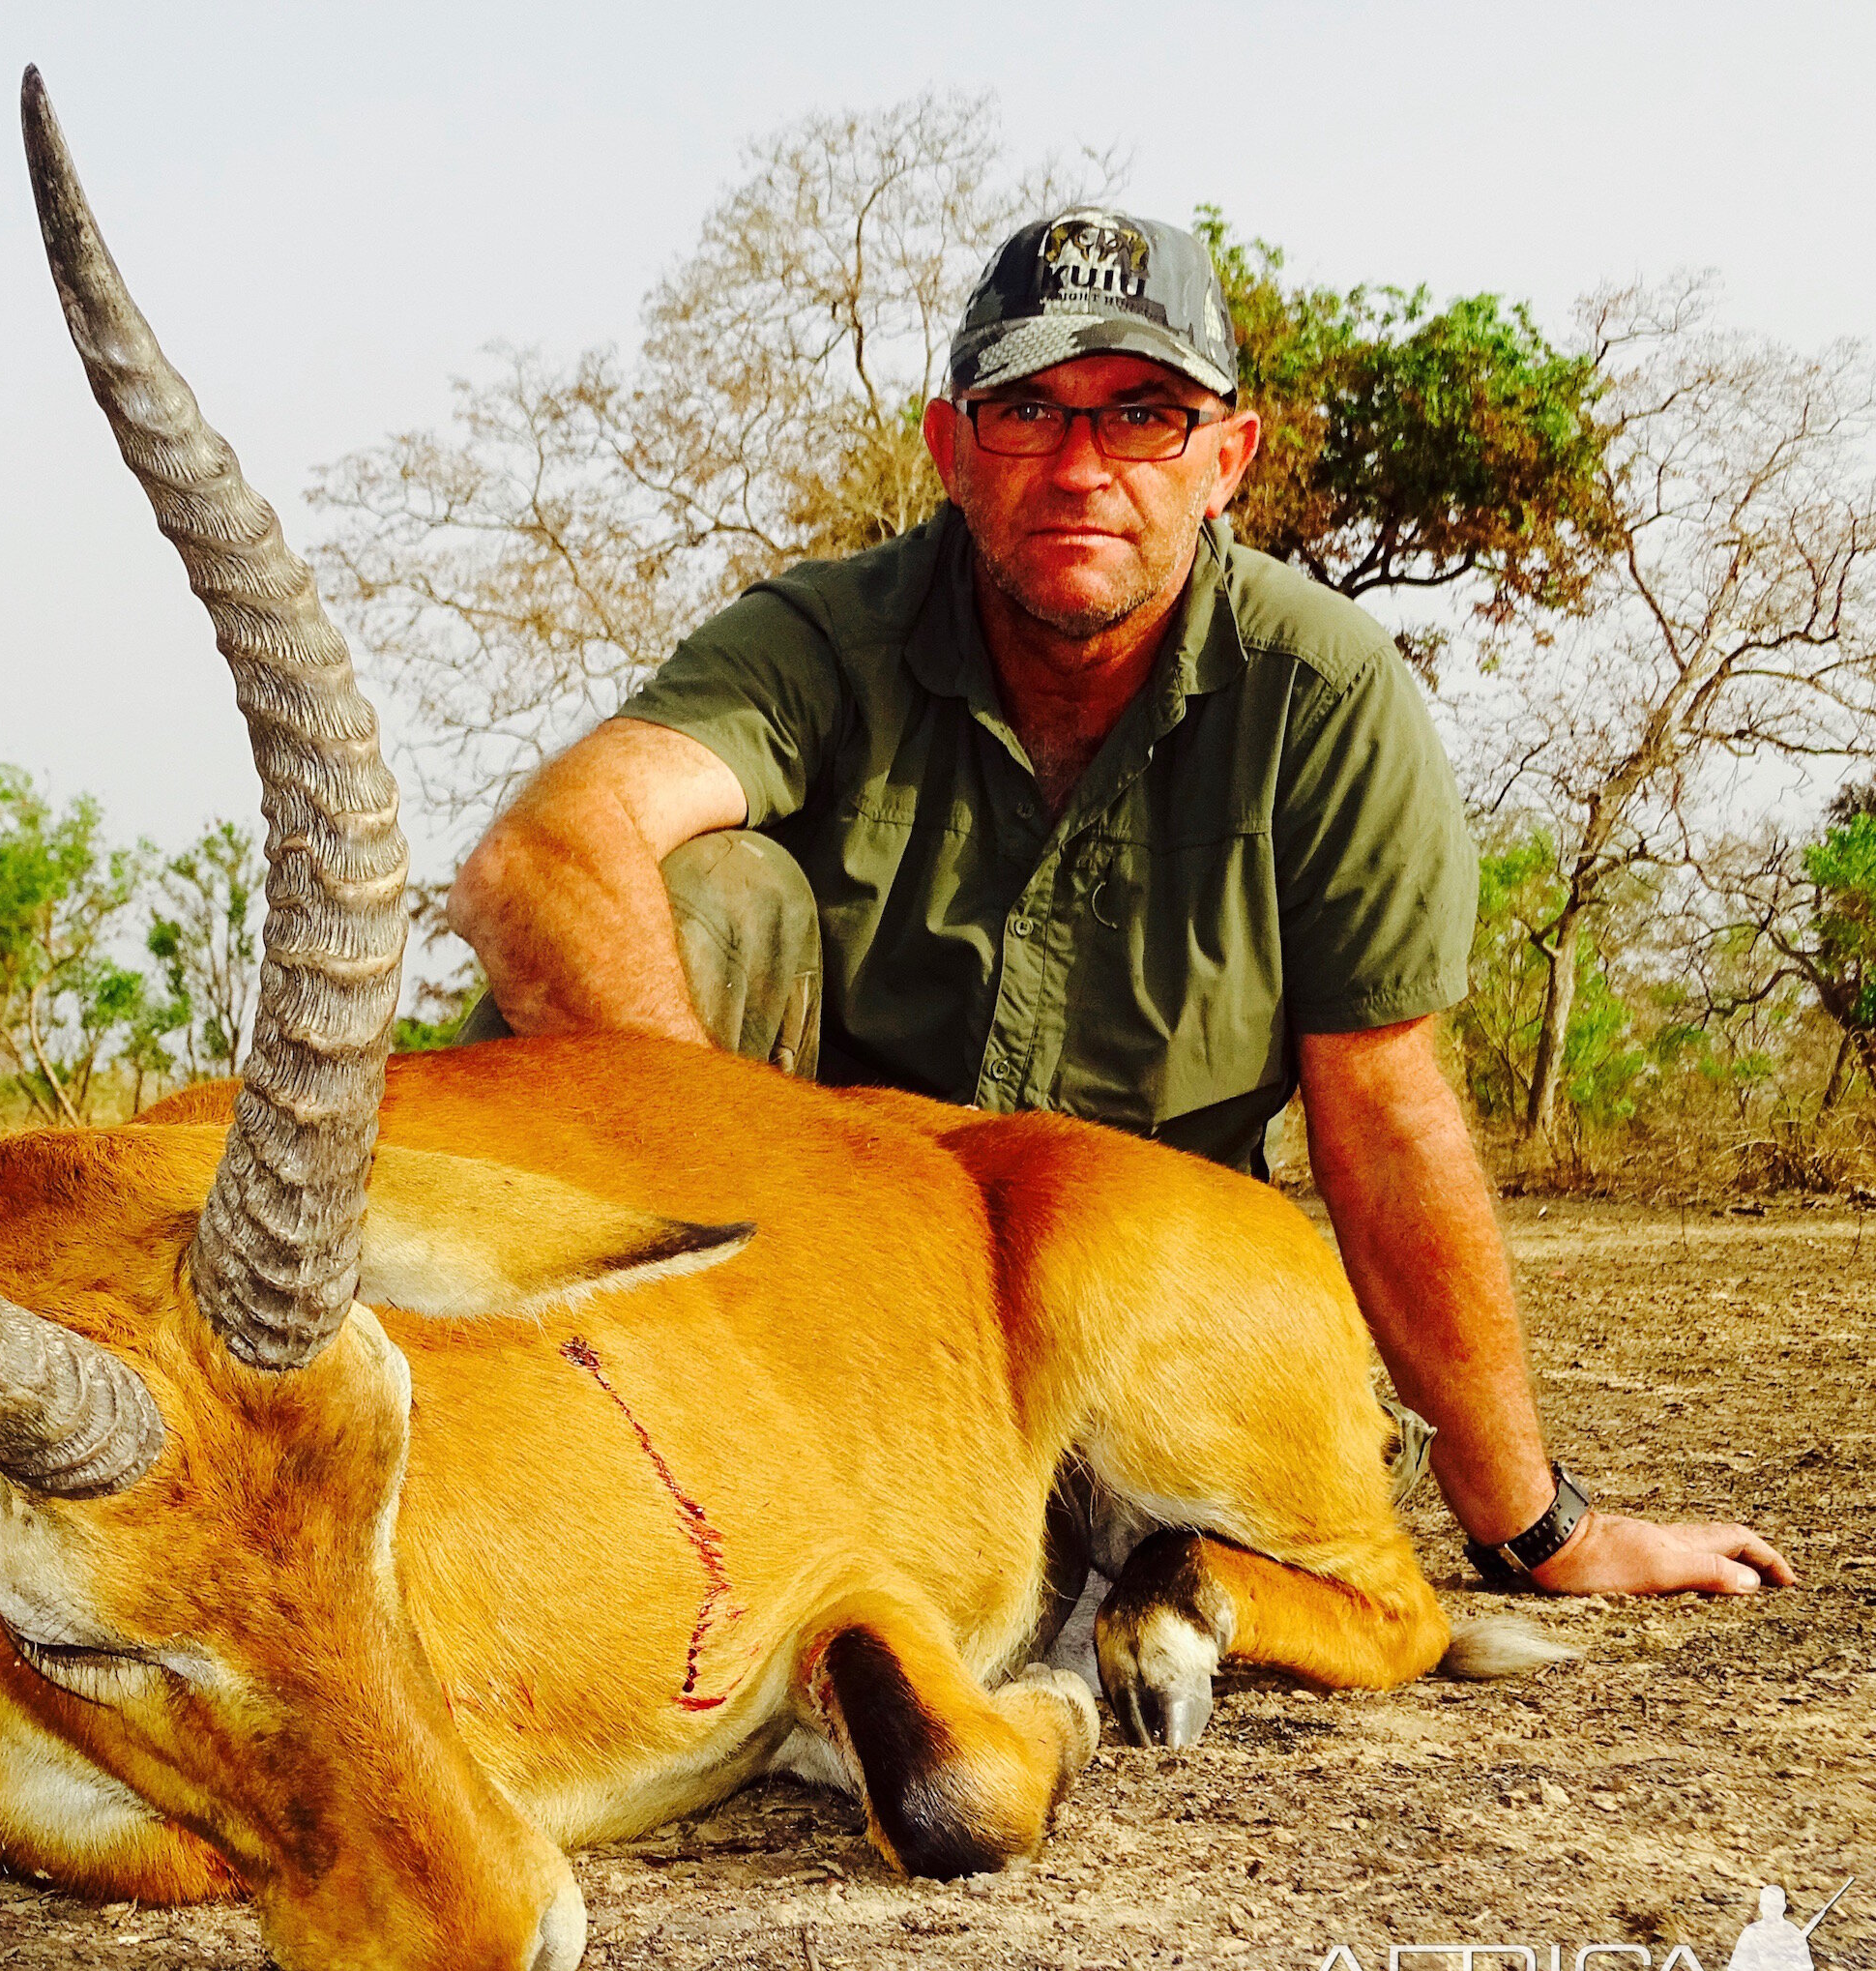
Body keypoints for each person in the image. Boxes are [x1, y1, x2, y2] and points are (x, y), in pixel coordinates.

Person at [447, 204, 1789, 1601]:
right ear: (952, 450)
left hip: (1125, 1337)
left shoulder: (1323, 694)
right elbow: (538, 857)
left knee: (1252, 1437)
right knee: (703, 888)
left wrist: (1538, 1526)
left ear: (1228, 460)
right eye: (1028, 411)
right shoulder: (824, 636)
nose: (1081, 468)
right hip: (810, 1320)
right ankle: (512, 1454)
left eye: (1142, 415)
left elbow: (1385, 1121)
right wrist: (755, 1233)